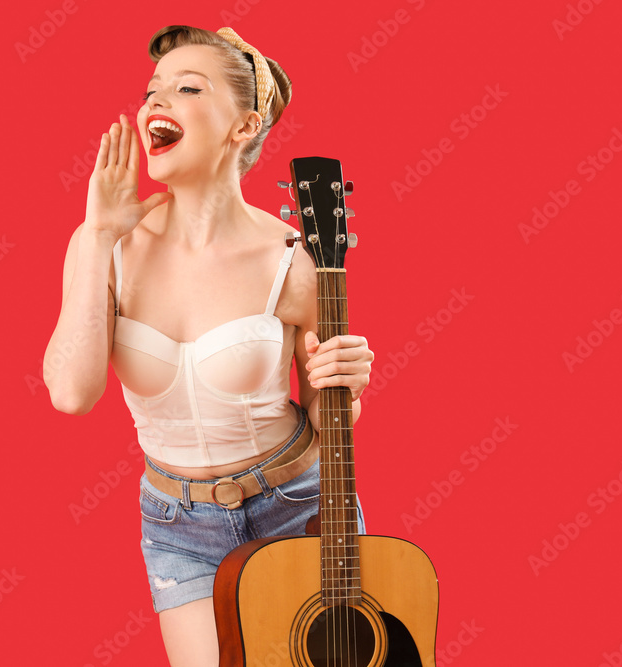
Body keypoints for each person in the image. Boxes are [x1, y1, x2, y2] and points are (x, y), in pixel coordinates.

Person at [44, 25, 374, 667]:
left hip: (298, 506)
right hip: (180, 526)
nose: (156, 102)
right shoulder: (104, 245)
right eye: (152, 90)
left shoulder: (294, 260)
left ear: (244, 126)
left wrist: (347, 387)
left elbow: (327, 416)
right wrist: (100, 235)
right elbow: (71, 392)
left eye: (188, 88)